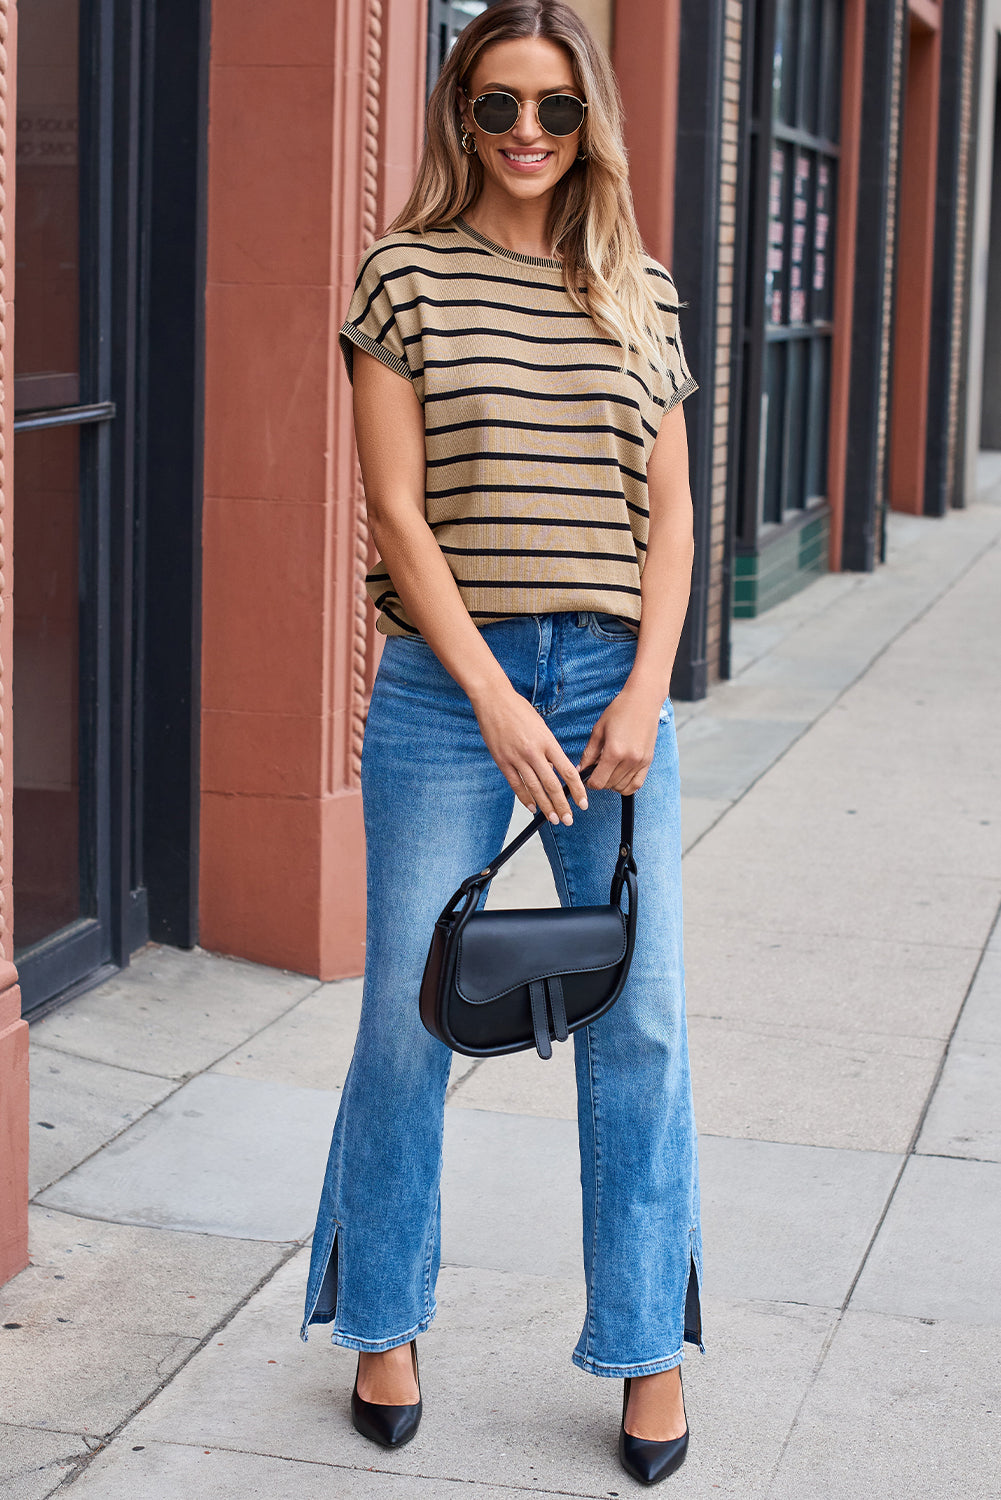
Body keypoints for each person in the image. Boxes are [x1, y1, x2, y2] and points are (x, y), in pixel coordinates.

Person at [301, 0, 702, 1484]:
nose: (524, 135)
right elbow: (397, 515)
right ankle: (382, 1319)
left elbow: (670, 518)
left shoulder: (638, 288)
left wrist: (644, 690)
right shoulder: (402, 277)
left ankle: (646, 1348)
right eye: (494, 108)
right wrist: (491, 695)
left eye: (550, 107)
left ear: (588, 115)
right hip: (447, 688)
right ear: (455, 117)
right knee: (408, 1017)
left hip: (612, 684)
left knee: (641, 1021)